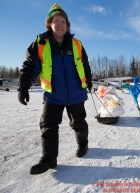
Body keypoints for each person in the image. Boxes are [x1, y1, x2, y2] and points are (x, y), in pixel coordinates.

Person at [18, 3, 92, 174]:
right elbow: (30, 66)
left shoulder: (76, 44)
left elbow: (85, 65)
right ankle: (49, 159)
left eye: (63, 21)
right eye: (56, 21)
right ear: (49, 24)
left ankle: (83, 144)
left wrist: (89, 82)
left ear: (67, 25)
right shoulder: (40, 44)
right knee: (48, 126)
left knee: (78, 123)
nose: (60, 24)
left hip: (76, 94)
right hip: (53, 94)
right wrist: (23, 86)